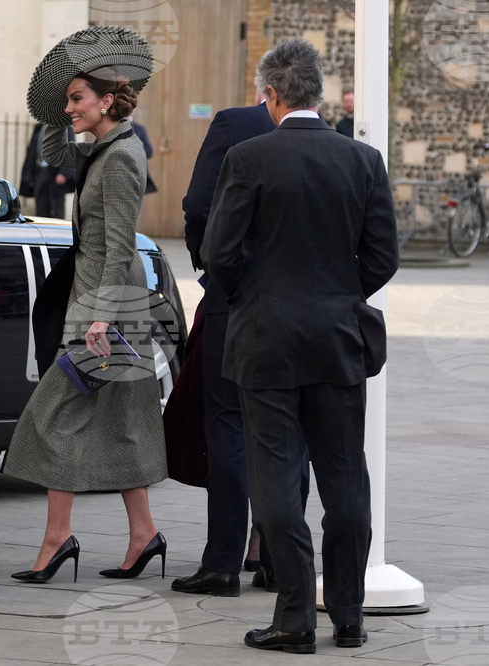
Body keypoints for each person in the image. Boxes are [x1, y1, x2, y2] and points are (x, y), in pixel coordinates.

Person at [202, 39, 399, 653]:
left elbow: (217, 254)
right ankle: (348, 613)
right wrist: (340, 295)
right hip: (338, 338)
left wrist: (255, 296)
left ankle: (294, 618)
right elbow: (384, 258)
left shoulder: (247, 157)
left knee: (277, 481)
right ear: (316, 92)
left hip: (266, 341)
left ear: (274, 95)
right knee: (345, 481)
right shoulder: (363, 160)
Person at [1, 26, 168, 583]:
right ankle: (142, 535)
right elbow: (53, 148)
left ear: (107, 99)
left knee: (52, 418)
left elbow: (121, 241)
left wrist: (99, 317)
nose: (69, 108)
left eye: (77, 98)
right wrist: (65, 110)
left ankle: (57, 538)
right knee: (121, 423)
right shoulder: (106, 148)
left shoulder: (121, 155)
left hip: (105, 312)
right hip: (101, 306)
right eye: (68, 99)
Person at [171, 89, 311, 599]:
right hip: (300, 310)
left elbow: (197, 204)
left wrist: (212, 266)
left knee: (227, 426)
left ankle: (223, 563)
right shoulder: (331, 139)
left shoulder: (233, 123)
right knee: (290, 433)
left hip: (236, 303)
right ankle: (276, 560)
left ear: (266, 92)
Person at [20, 123, 75, 218]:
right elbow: (31, 152)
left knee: (56, 209)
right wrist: (28, 174)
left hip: (56, 174)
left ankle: (57, 232)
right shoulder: (38, 128)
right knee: (41, 207)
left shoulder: (65, 127)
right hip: (39, 172)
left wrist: (64, 173)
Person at [130, 112, 158, 194]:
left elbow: (149, 152)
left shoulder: (139, 129)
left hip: (136, 173)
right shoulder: (113, 127)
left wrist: (139, 147)